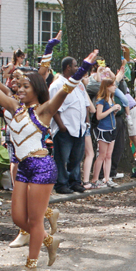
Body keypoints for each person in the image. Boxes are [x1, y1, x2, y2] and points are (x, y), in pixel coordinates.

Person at [0, 32, 95, 271]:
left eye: (25, 87)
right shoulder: (12, 106)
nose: (19, 90)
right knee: (19, 219)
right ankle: (49, 238)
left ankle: (31, 265)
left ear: (37, 89)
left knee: (32, 221)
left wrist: (82, 69)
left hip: (42, 166)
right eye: (18, 87)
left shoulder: (44, 110)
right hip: (22, 167)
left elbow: (64, 90)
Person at [50, 57, 91, 194]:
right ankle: (61, 184)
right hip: (65, 127)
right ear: (67, 67)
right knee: (62, 158)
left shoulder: (78, 84)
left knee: (76, 157)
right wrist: (61, 126)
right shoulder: (57, 85)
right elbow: (53, 108)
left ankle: (74, 182)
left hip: (79, 127)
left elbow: (84, 103)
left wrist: (86, 120)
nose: (77, 68)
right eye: (74, 65)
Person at [90, 79, 121, 188]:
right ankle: (95, 179)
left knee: (108, 155)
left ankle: (107, 178)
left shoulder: (111, 99)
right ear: (107, 87)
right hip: (104, 129)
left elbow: (109, 113)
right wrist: (112, 109)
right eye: (112, 85)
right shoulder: (101, 100)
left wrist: (115, 110)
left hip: (112, 128)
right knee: (102, 155)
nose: (114, 87)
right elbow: (99, 116)